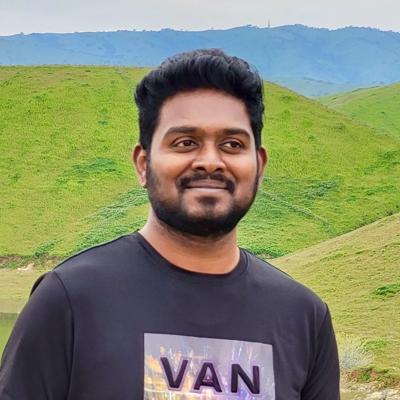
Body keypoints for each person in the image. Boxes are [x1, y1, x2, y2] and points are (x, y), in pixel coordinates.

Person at [0, 49, 340, 399]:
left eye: (232, 144)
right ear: (143, 164)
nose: (210, 161)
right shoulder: (70, 299)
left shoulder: (303, 317)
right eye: (185, 143)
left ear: (259, 166)